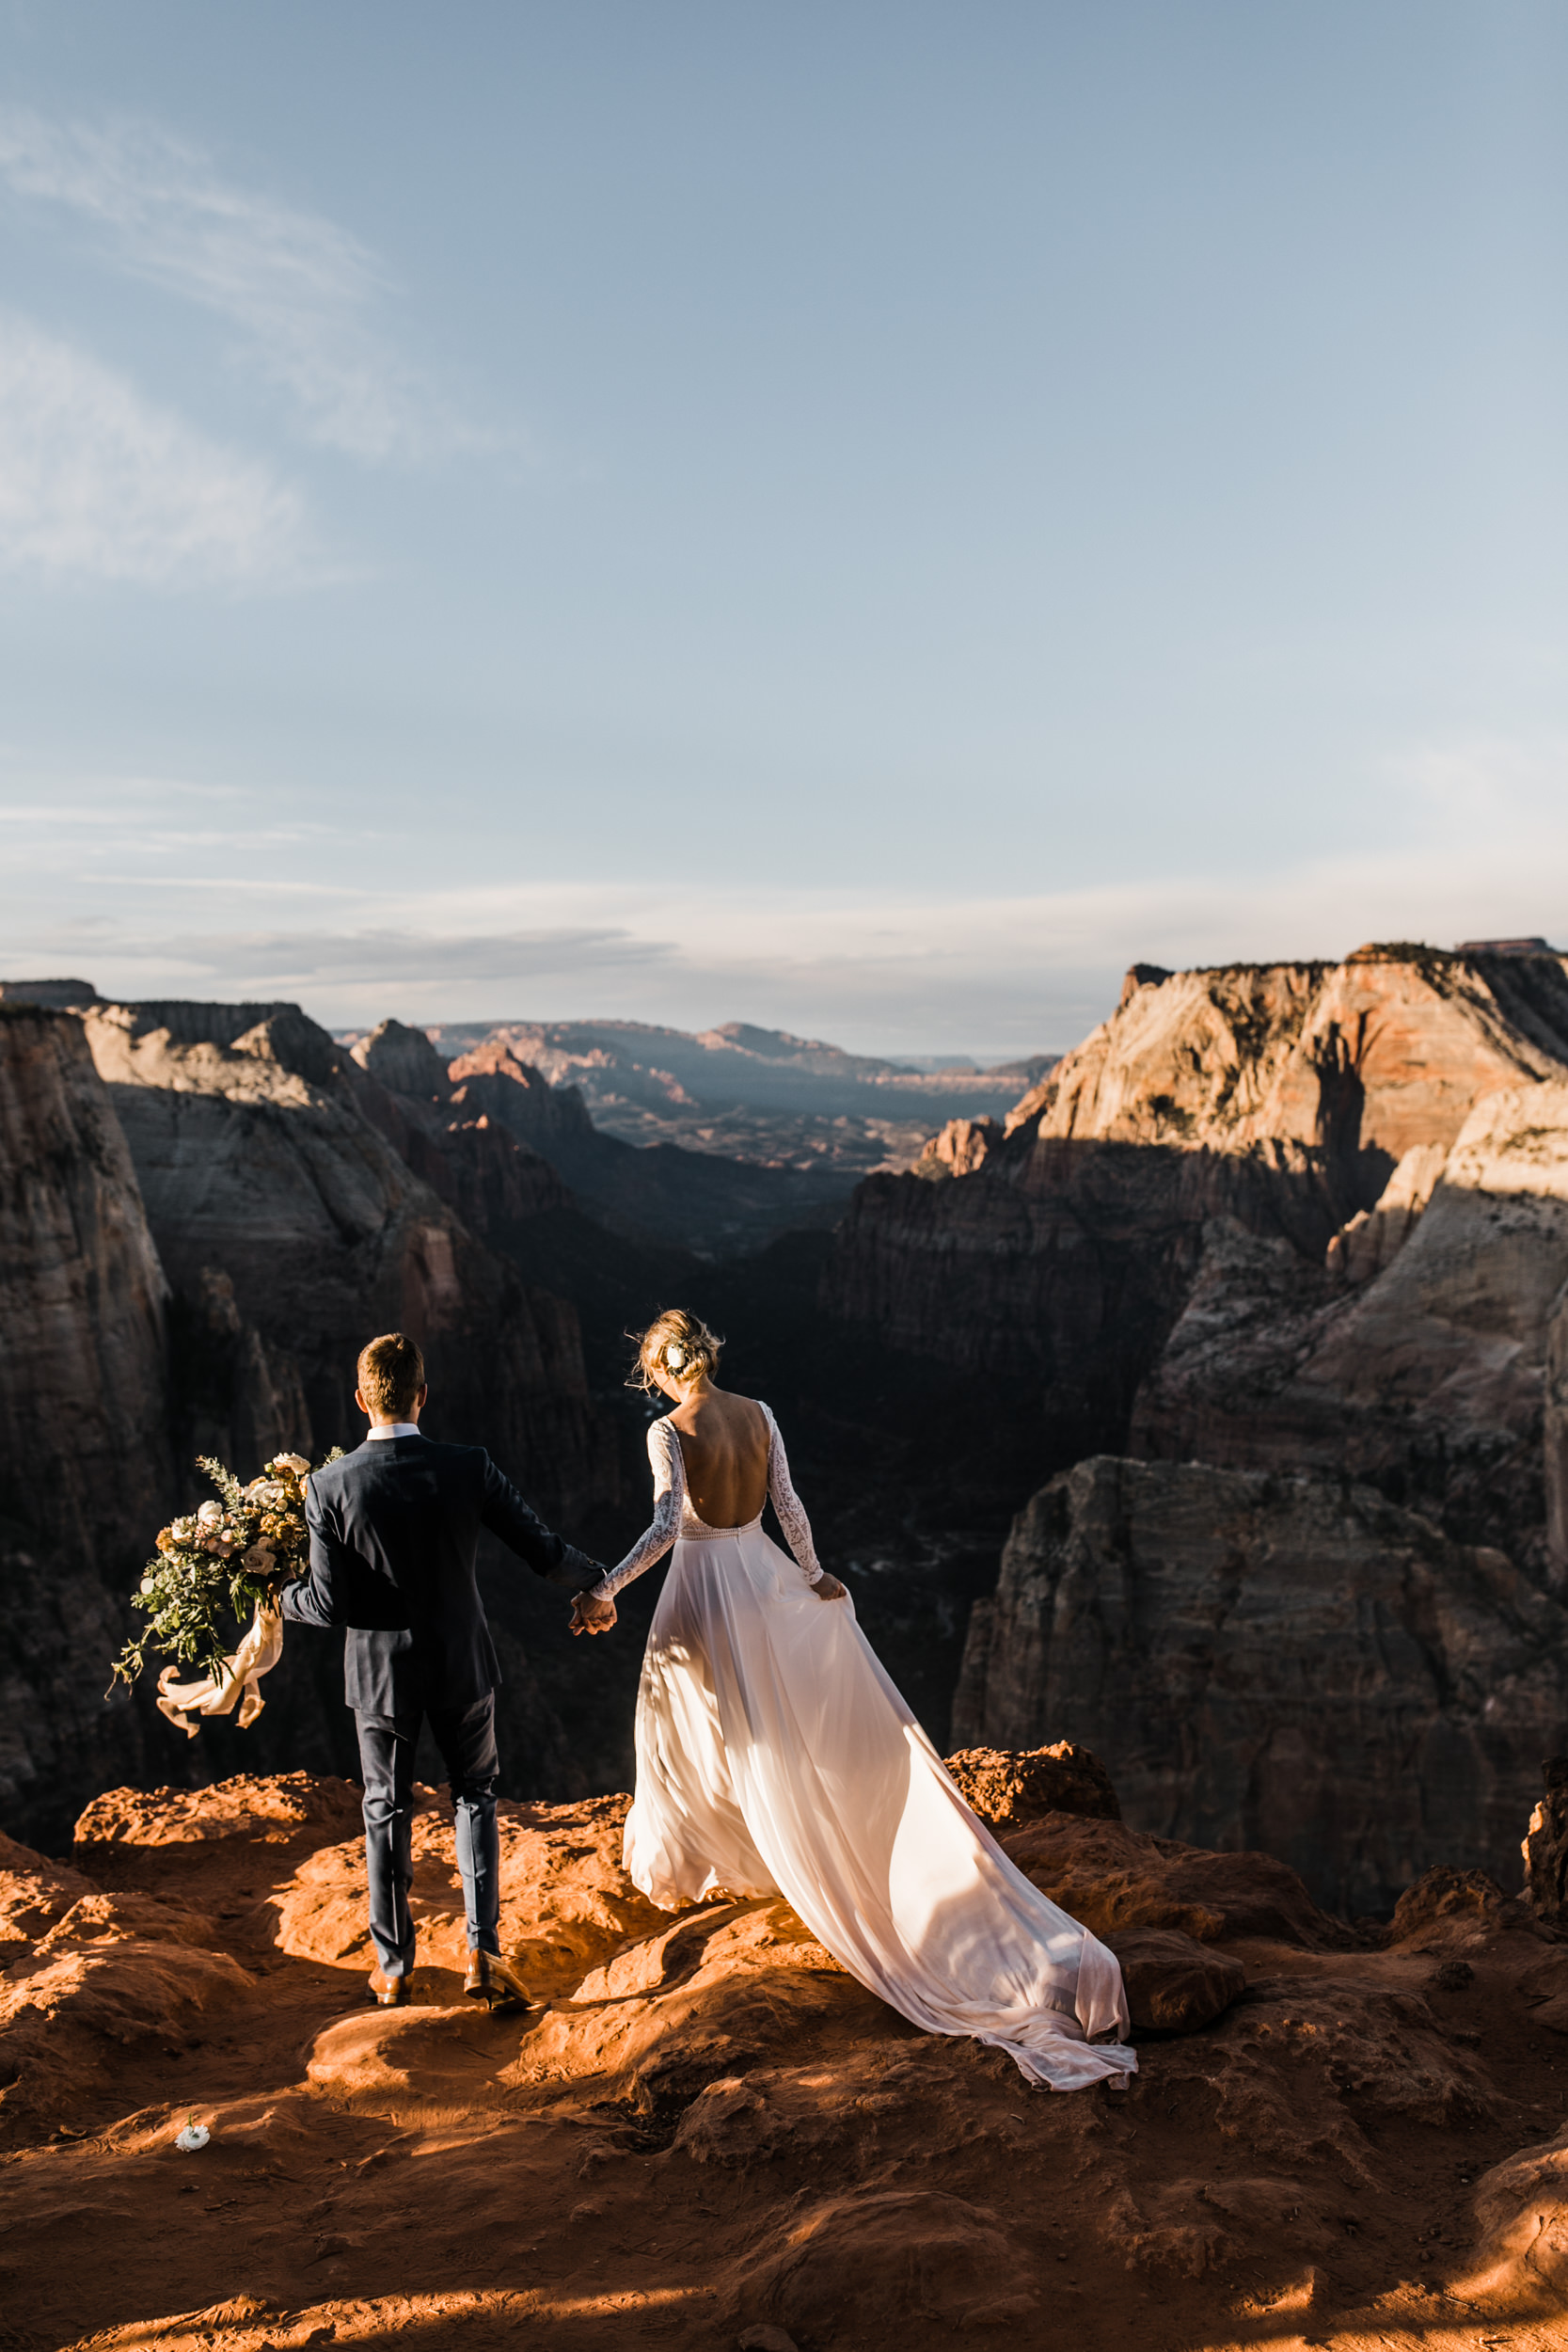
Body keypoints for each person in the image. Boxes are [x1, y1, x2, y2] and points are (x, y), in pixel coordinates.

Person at [570, 1309, 1137, 2090]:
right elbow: (791, 1508)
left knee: (686, 1724)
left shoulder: (666, 1432)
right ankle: (752, 1843)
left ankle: (713, 1856)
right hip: (761, 1575)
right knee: (764, 1720)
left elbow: (668, 1523)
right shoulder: (759, 1414)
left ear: (663, 1370)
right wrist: (811, 1574)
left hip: (701, 1586)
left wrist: (604, 1588)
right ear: (707, 1356)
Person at [281, 1330, 606, 2011]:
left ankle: (394, 1965)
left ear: (360, 1399)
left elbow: (327, 1603)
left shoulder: (327, 1486)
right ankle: (483, 1954)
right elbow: (541, 1550)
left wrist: (270, 1597)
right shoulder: (468, 1467)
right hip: (461, 1660)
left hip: (378, 1676)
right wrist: (599, 1584)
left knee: (384, 1808)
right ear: (422, 1396)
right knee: (474, 1797)